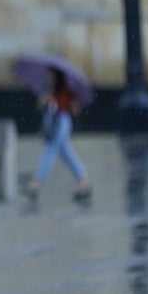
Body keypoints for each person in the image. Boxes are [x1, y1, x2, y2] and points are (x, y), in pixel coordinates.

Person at [27, 67, 91, 201]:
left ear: (56, 74)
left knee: (50, 150)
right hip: (51, 121)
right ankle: (83, 182)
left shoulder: (66, 88)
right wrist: (44, 100)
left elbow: (73, 108)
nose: (48, 76)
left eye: (50, 73)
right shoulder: (48, 88)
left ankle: (37, 183)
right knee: (66, 153)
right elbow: (41, 105)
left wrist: (67, 102)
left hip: (61, 121)